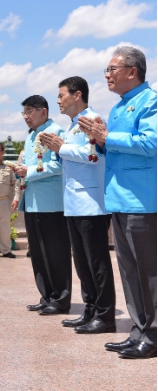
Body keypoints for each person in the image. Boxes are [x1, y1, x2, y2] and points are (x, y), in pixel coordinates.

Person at [78, 46, 157, 359]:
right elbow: (117, 148)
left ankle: (152, 335)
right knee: (129, 271)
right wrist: (100, 140)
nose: (107, 75)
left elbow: (151, 144)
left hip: (142, 201)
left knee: (148, 273)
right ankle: (138, 330)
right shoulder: (118, 107)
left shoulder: (150, 101)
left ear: (132, 71)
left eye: (112, 69)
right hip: (120, 199)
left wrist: (107, 137)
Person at [41, 76, 116, 335]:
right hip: (74, 202)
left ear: (77, 95)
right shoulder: (74, 125)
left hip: (91, 203)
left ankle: (105, 316)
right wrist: (60, 149)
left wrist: (62, 148)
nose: (58, 101)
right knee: (82, 263)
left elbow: (93, 156)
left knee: (97, 262)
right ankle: (90, 310)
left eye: (61, 95)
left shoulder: (92, 121)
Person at [12, 95, 71, 315]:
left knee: (56, 253)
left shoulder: (56, 132)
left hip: (51, 202)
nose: (26, 116)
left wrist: (28, 172)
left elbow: (59, 166)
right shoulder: (31, 137)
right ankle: (47, 296)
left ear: (43, 111)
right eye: (24, 112)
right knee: (38, 253)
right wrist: (22, 172)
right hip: (33, 202)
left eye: (29, 111)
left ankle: (61, 299)